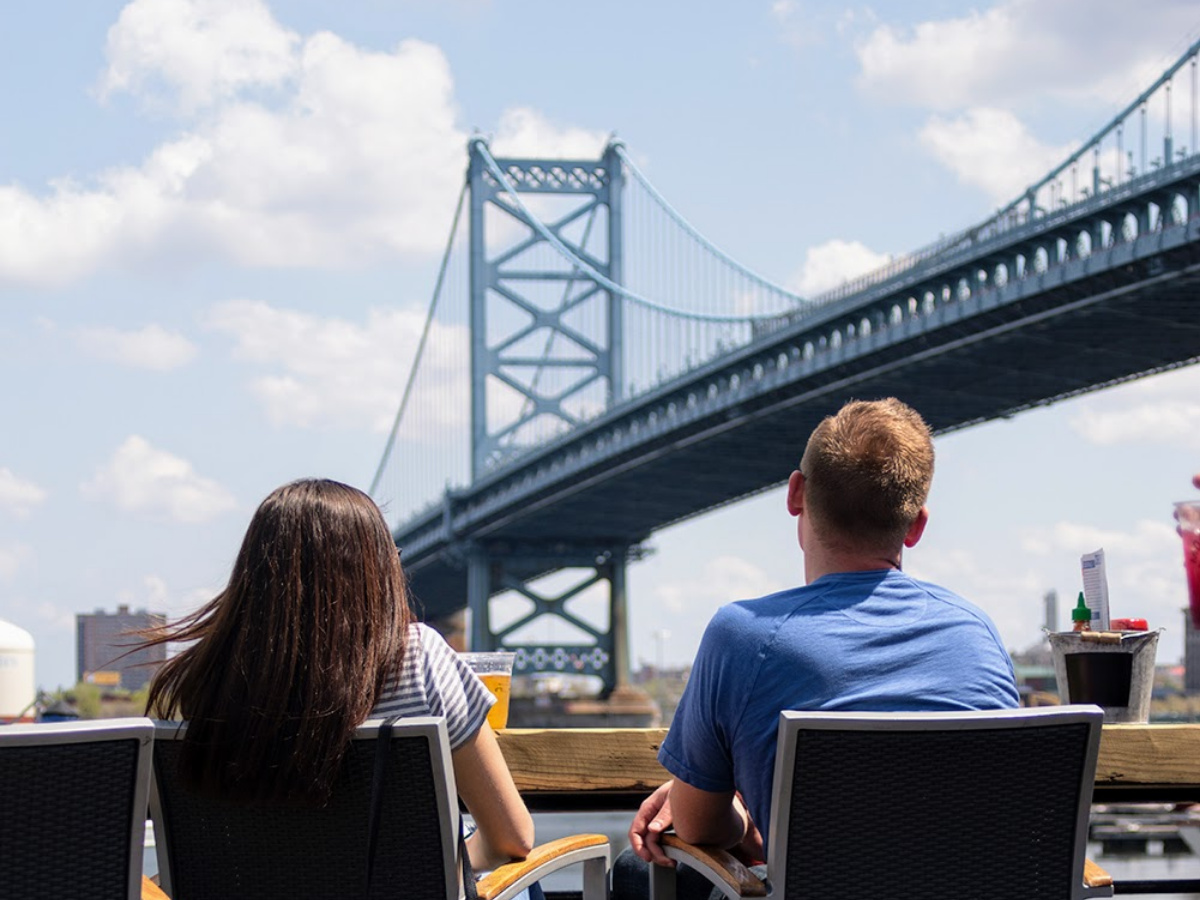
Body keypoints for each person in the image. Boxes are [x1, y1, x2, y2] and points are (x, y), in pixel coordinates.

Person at [614, 398, 1019, 899]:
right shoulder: (976, 635)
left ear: (795, 493)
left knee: (638, 872)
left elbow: (695, 828)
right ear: (916, 525)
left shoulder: (743, 636)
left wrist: (739, 816)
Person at [143, 478, 535, 880]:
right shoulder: (419, 658)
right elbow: (511, 839)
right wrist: (449, 863)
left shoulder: (209, 674)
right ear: (372, 571)